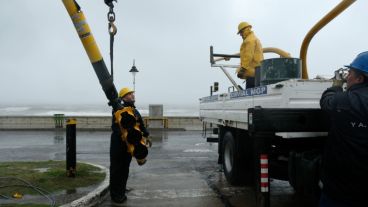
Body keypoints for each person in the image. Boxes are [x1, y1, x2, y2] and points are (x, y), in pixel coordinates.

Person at [319, 51, 368, 207]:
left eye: (350, 73)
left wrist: (336, 87)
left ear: (360, 78)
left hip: (341, 189)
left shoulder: (347, 100)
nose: (348, 77)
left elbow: (327, 102)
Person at [110, 87, 149, 206]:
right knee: (117, 169)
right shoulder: (119, 109)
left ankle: (121, 189)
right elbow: (120, 127)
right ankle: (116, 195)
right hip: (119, 144)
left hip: (129, 145)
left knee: (125, 168)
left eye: (132, 93)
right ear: (123, 97)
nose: (132, 95)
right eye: (129, 94)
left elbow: (140, 123)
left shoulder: (133, 110)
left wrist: (146, 135)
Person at [236, 21, 264, 88]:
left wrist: (243, 69)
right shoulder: (254, 38)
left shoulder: (249, 41)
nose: (240, 35)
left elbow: (248, 56)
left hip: (252, 73)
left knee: (250, 95)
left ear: (245, 30)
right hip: (258, 71)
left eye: (240, 32)